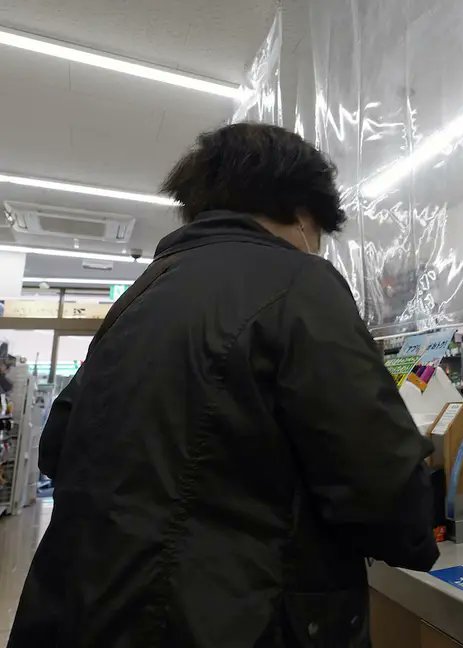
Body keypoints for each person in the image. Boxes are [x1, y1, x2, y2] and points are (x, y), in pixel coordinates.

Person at [10, 123, 438, 648]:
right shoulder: (300, 282)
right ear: (303, 212)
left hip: (82, 610)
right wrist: (420, 524)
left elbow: (57, 443)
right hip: (233, 620)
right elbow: (380, 480)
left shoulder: (142, 293)